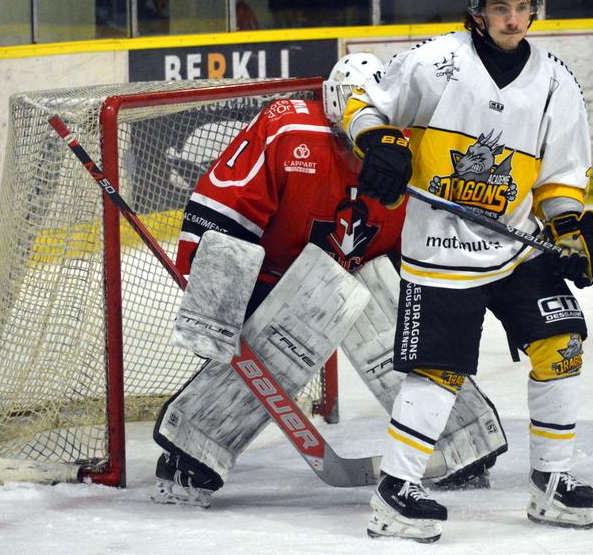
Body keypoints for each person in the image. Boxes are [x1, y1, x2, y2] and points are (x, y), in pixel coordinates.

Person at [151, 53, 507, 507]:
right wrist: (217, 303)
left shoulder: (419, 149)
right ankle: (193, 450)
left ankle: (465, 439)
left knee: (399, 317)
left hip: (362, 270)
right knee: (307, 308)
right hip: (273, 277)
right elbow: (224, 209)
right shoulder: (289, 129)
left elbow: (435, 237)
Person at [341, 0, 593, 542]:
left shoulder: (556, 82)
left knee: (562, 344)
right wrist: (382, 142)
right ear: (477, 10)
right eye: (500, 6)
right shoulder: (436, 61)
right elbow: (364, 104)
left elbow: (561, 177)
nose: (513, 18)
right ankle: (395, 494)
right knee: (439, 371)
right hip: (441, 248)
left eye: (522, 5)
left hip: (515, 245)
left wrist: (568, 226)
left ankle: (551, 483)